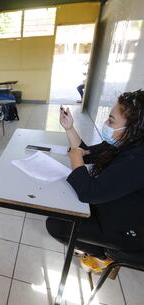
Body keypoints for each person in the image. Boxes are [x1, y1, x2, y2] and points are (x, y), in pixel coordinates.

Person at [46, 90, 144, 273]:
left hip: (126, 230)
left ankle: (104, 255)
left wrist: (75, 159)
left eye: (112, 120)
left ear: (133, 127)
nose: (106, 123)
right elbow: (87, 153)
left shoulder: (138, 159)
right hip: (112, 207)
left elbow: (88, 192)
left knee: (56, 225)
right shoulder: (124, 142)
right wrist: (69, 128)